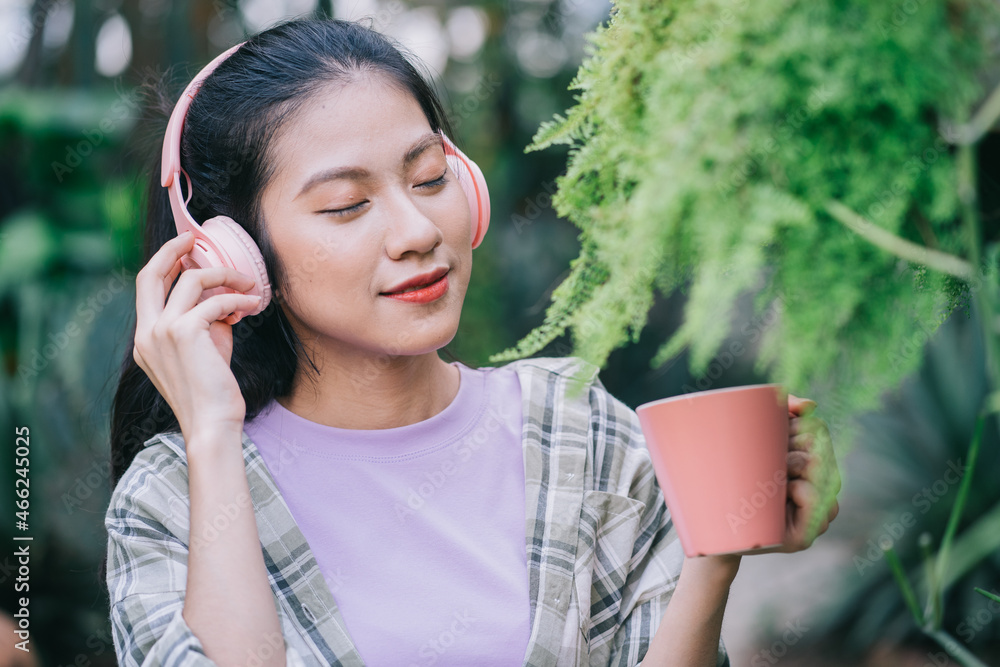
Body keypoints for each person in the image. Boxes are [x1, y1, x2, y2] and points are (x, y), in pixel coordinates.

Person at [104, 17, 840, 667]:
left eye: (428, 178)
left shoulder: (581, 430)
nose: (419, 230)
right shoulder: (170, 497)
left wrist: (713, 556)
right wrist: (210, 433)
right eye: (347, 204)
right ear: (231, 252)